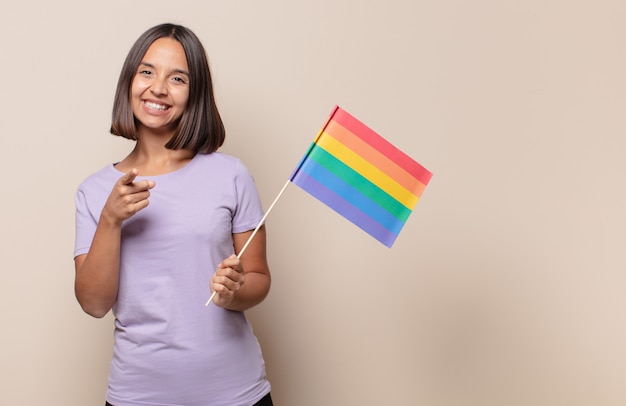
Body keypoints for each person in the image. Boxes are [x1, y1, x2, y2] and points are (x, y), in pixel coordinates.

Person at [73, 23, 273, 406]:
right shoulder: (94, 190)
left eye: (177, 78)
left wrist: (233, 293)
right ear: (128, 81)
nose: (159, 88)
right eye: (147, 71)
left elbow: (259, 278)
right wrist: (111, 220)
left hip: (235, 393)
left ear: (194, 93)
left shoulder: (230, 174)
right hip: (138, 395)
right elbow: (94, 304)